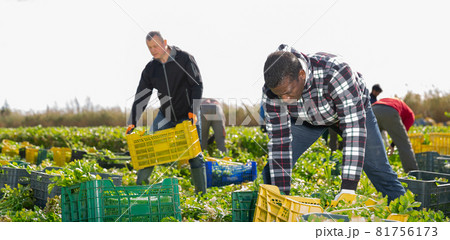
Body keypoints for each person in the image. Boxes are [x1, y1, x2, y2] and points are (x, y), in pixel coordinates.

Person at [261, 44, 405, 202]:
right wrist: (280, 199)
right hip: (307, 119)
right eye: (279, 95)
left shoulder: (336, 72)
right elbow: (279, 142)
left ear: (301, 74)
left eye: (288, 92)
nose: (284, 100)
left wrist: (348, 188)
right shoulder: (273, 91)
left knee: (381, 172)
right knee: (271, 172)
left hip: (351, 113)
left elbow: (353, 129)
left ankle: (408, 214)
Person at [126, 31, 206, 195]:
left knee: (195, 156)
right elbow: (142, 96)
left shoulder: (184, 59)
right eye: (149, 48)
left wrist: (194, 110)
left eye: (156, 46)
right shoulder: (151, 69)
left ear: (165, 43)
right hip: (166, 115)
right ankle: (140, 190)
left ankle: (201, 194)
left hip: (188, 114)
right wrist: (133, 120)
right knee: (149, 149)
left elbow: (197, 85)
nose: (153, 50)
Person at [372, 98, 419, 173]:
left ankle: (372, 170)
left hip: (373, 109)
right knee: (404, 145)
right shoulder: (410, 115)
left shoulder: (393, 101)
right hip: (389, 111)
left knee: (371, 144)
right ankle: (412, 172)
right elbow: (401, 137)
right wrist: (393, 144)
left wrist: (392, 145)